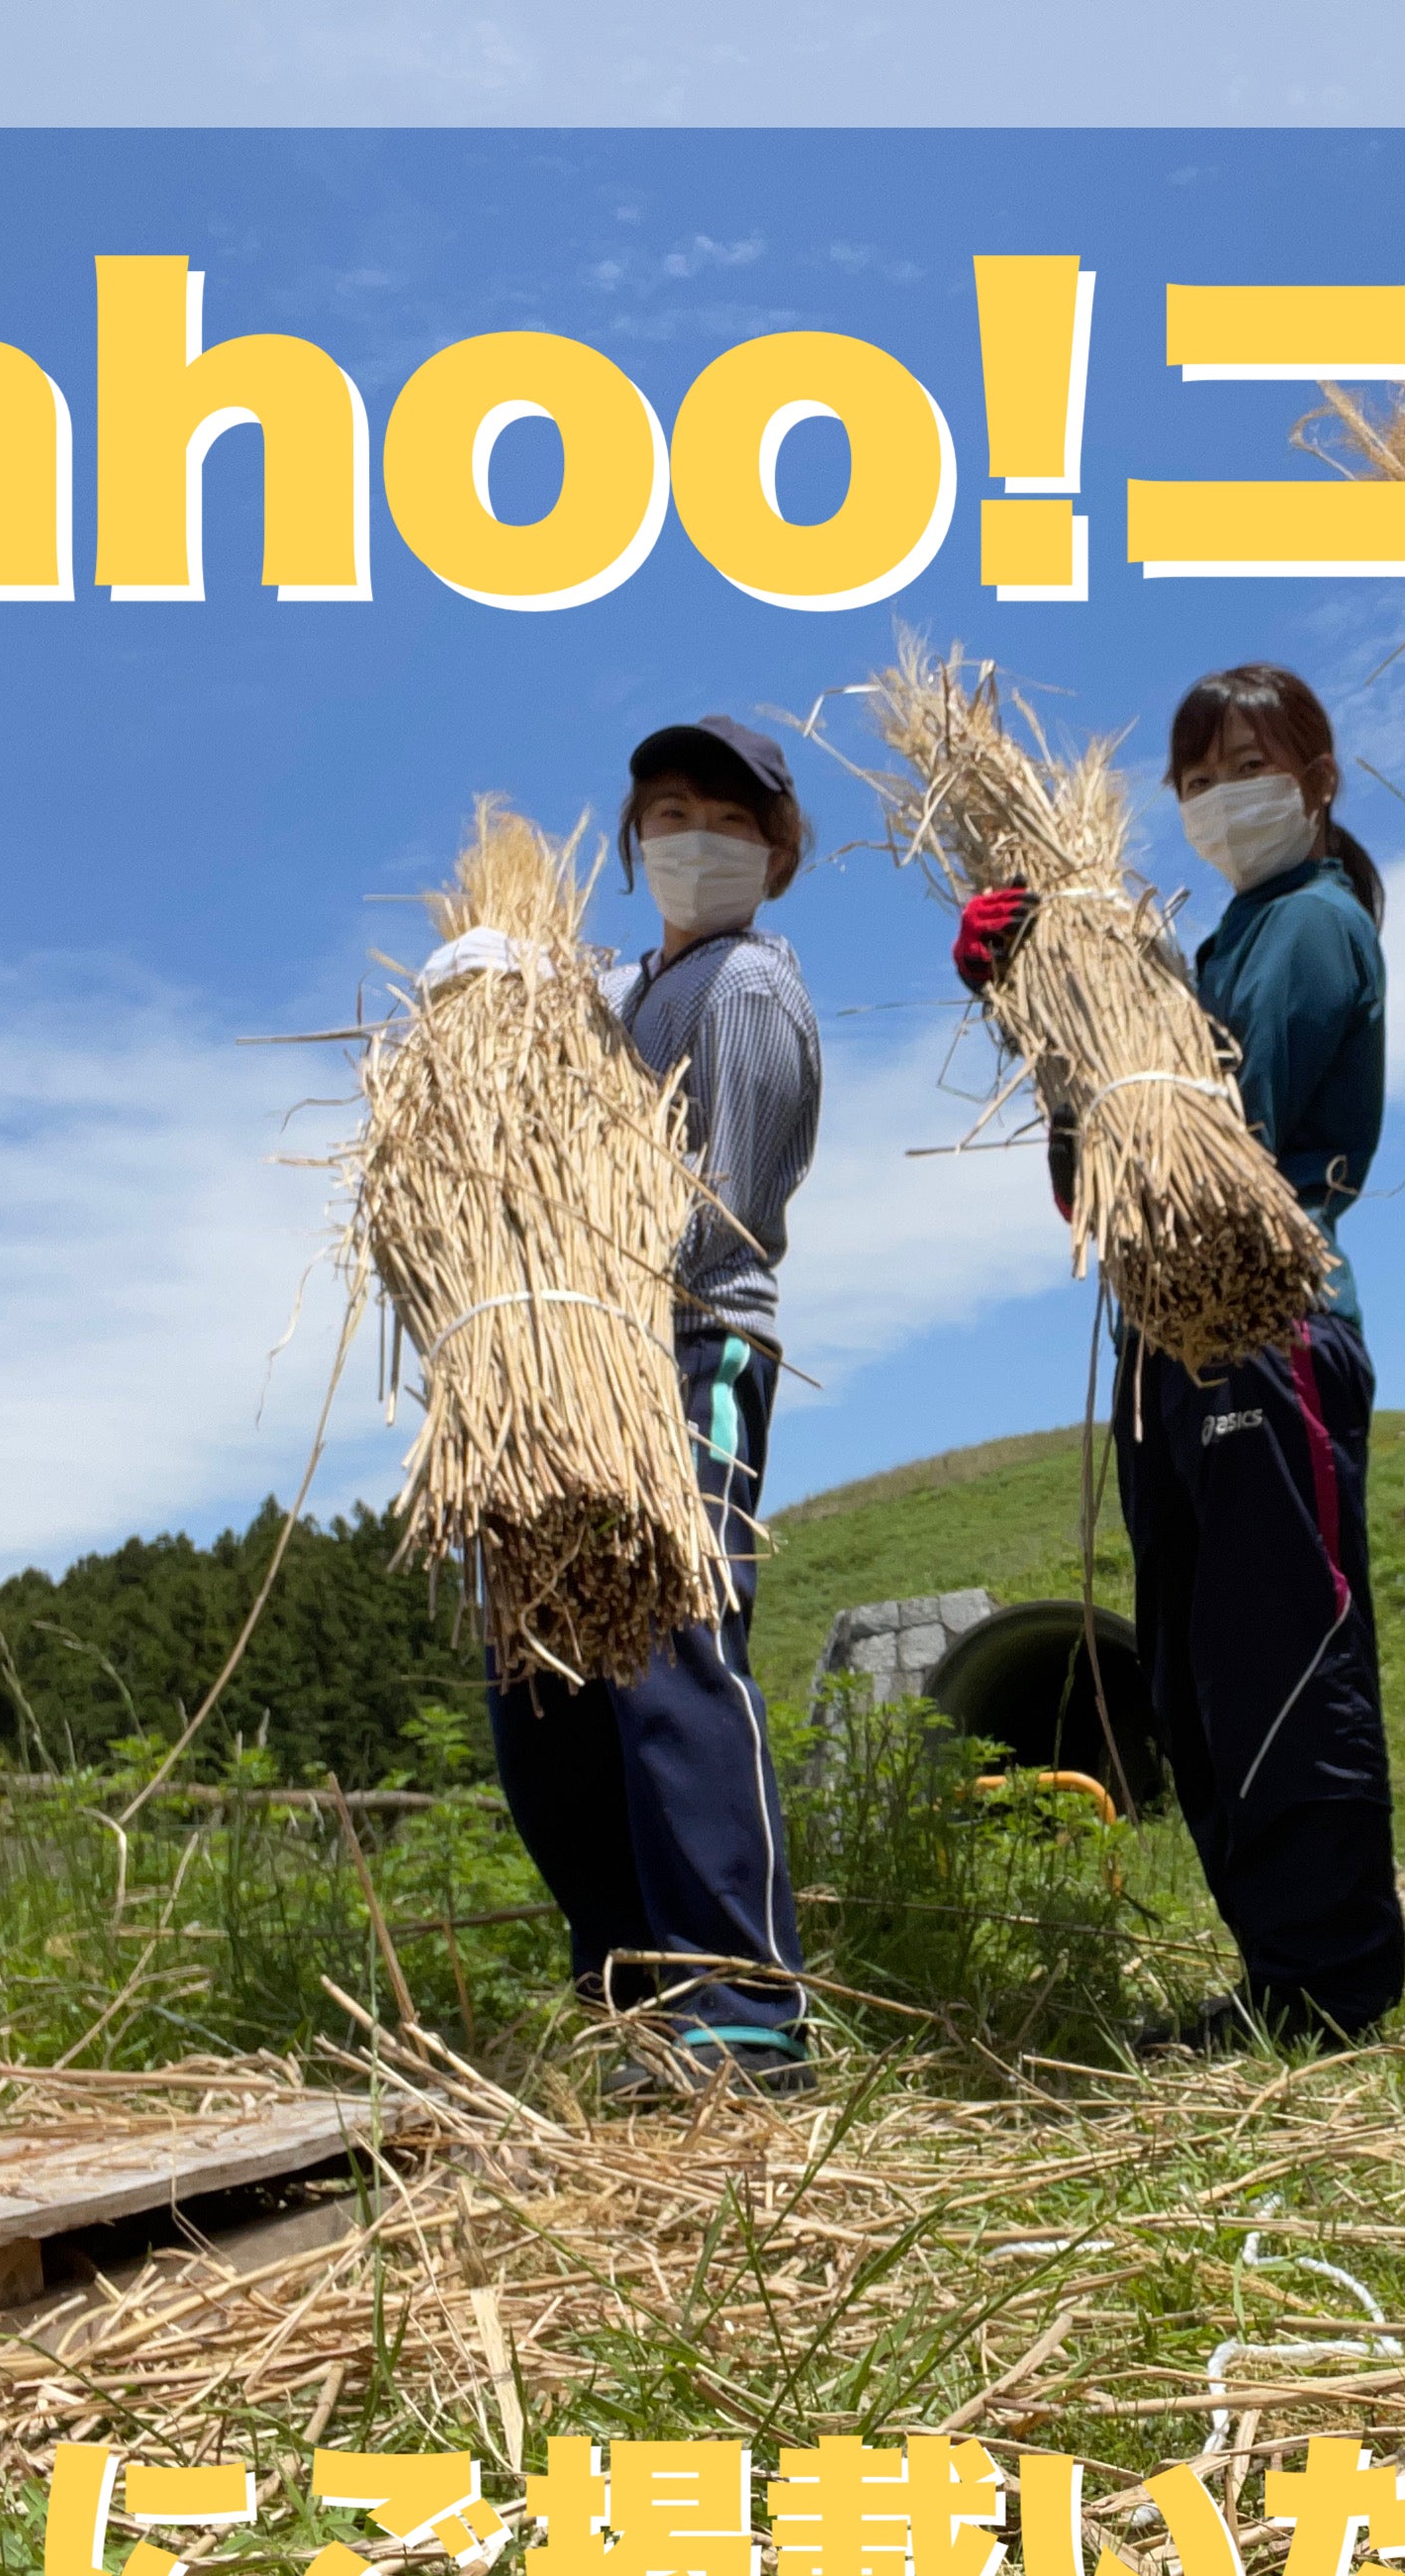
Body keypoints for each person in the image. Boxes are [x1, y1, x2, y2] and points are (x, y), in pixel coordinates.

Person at [955, 665, 1405, 2058]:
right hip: (1164, 1334)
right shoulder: (1219, 942)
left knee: (1282, 1655)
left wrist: (1091, 986)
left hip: (1266, 1324)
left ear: (1318, 776)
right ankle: (1278, 1974)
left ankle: (1329, 1988)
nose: (1221, 798)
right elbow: (1106, 1169)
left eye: (1250, 767)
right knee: (1195, 1681)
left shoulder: (1314, 922)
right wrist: (1043, 1003)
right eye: (1198, 780)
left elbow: (1221, 1137)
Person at [427, 714, 823, 2101]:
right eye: (666, 812)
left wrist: (573, 1266)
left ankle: (744, 2010)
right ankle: (636, 2002)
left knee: (671, 1648)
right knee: (545, 1680)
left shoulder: (744, 987)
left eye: (727, 816)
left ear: (777, 849)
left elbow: (723, 1211)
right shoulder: (624, 991)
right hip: (562, 1366)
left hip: (689, 1347)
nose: (692, 835)